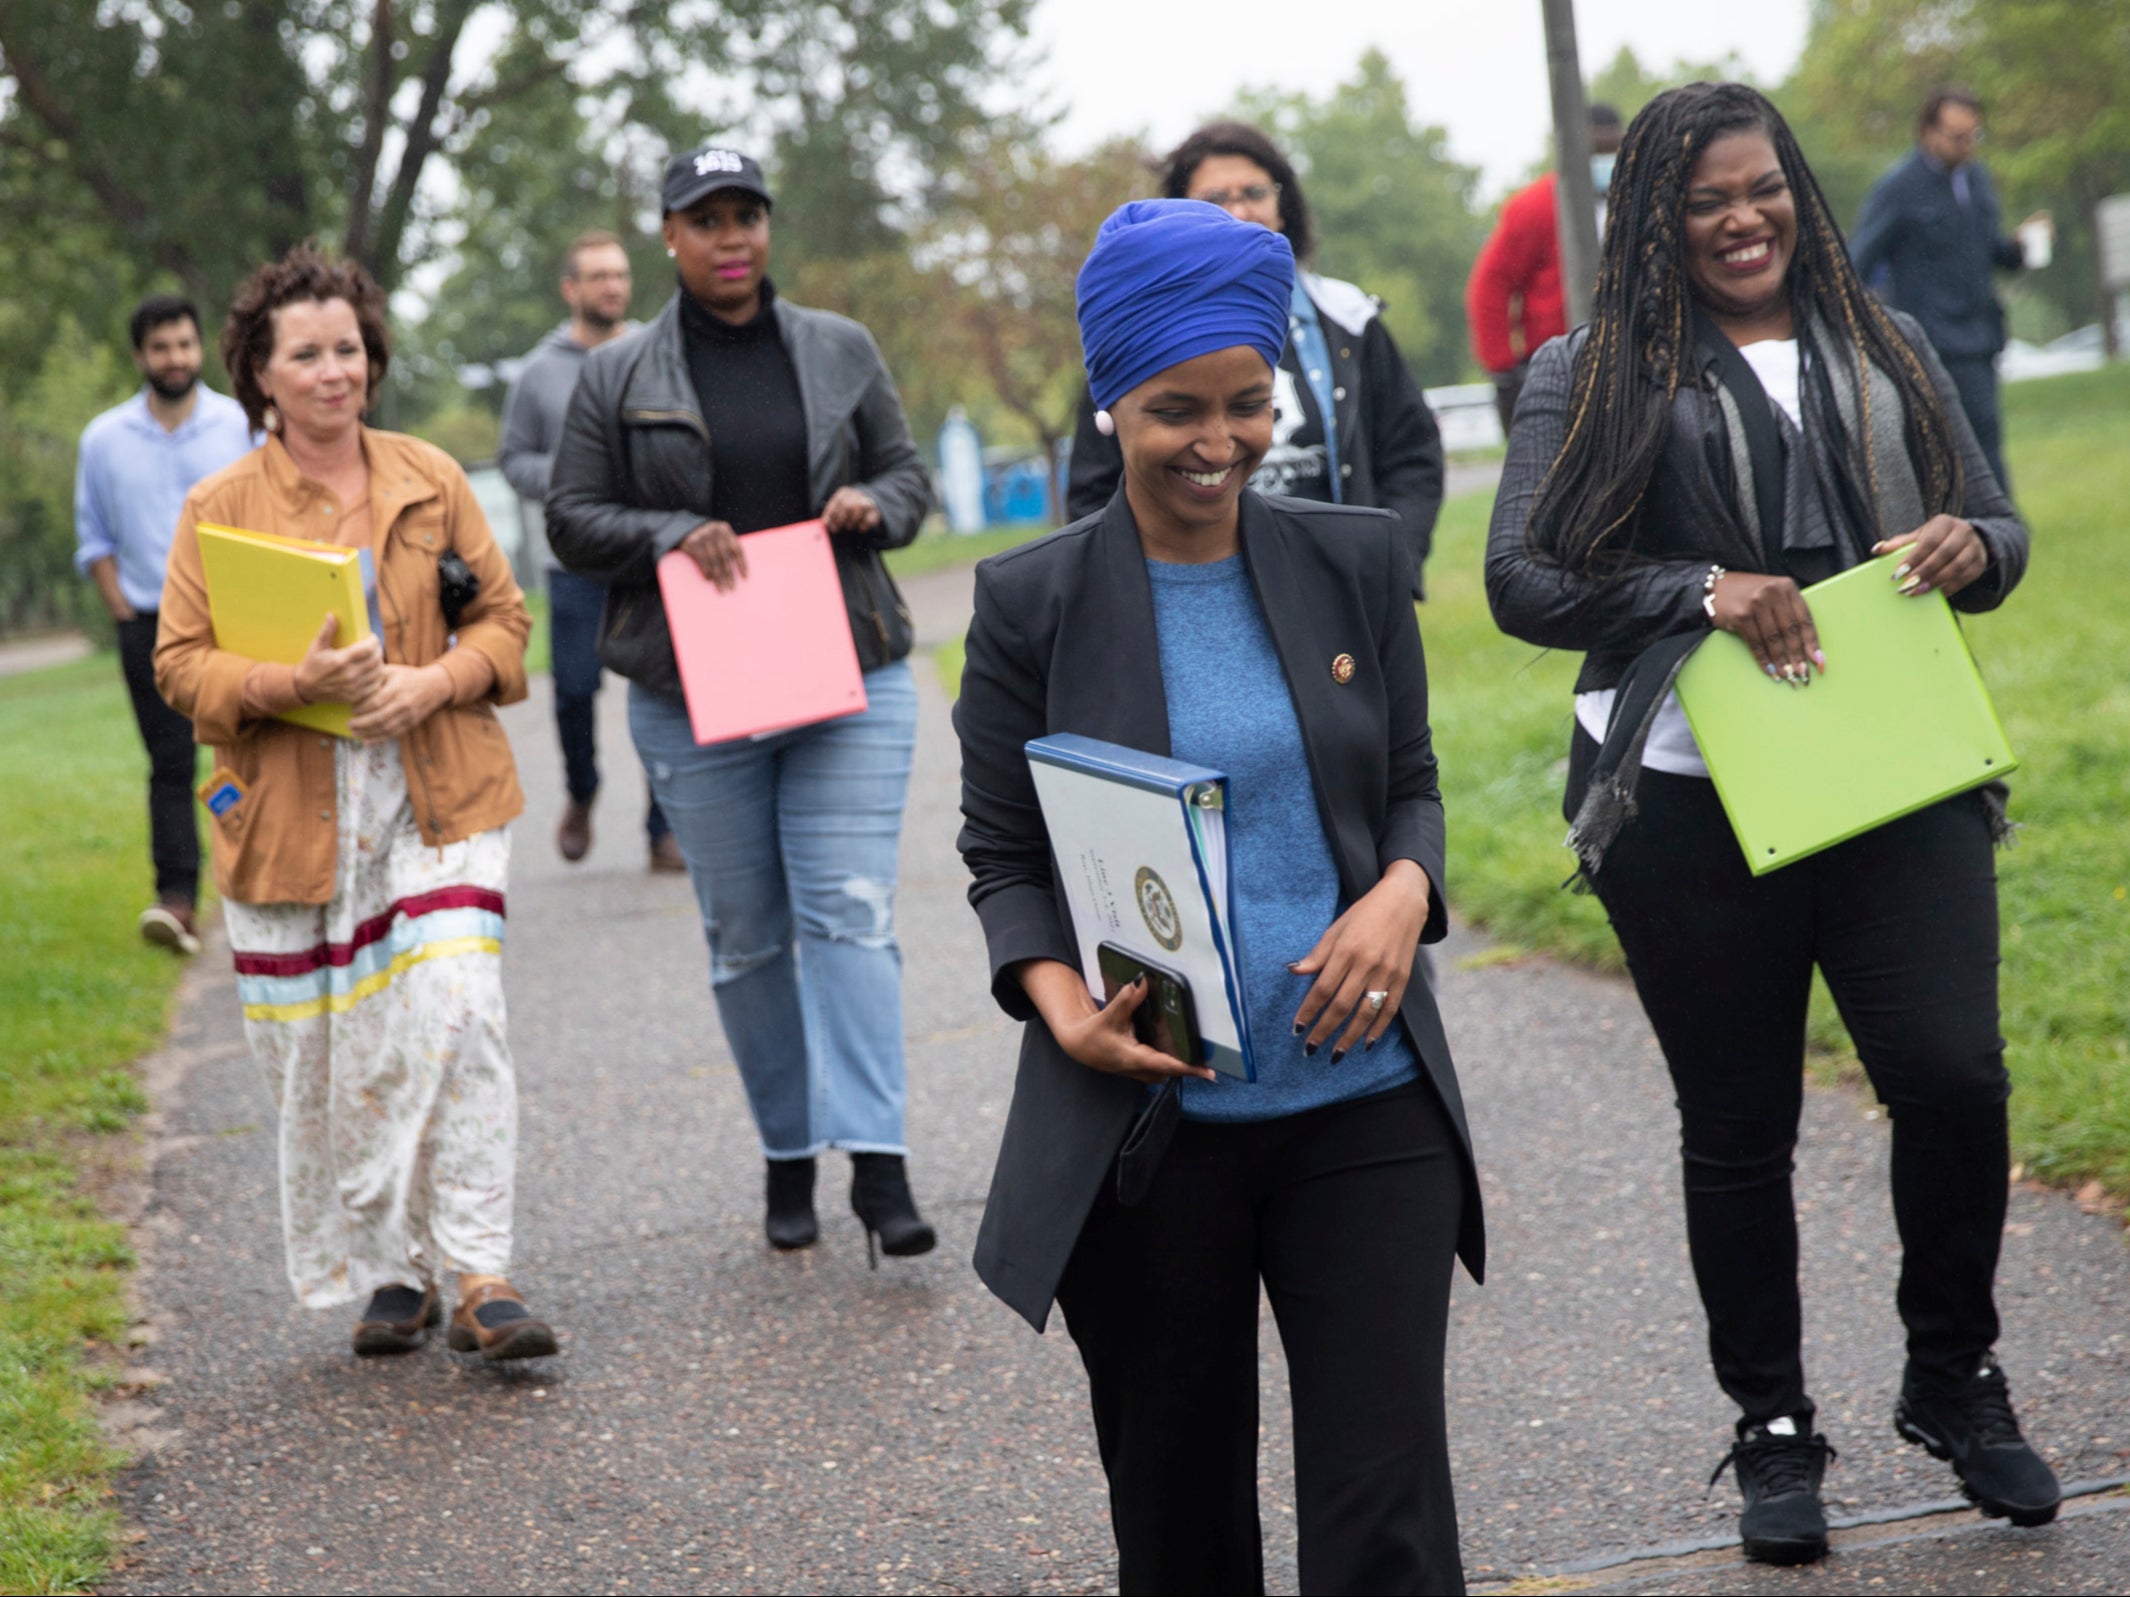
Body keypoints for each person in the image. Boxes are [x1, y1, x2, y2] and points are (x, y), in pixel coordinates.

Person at [1485, 83, 2059, 1565]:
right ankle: (1775, 1425)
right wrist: (1695, 590)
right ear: (1652, 221)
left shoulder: (1885, 345)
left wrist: (1964, 541)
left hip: (1888, 771)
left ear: (1796, 190)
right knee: (1735, 1126)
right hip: (1685, 795)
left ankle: (1951, 1375)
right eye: (1701, 201)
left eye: (1760, 190)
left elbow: (1995, 535)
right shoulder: (1589, 367)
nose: (1740, 221)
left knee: (1950, 1075)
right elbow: (1523, 581)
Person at [956, 198, 1484, 1595]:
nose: (1217, 442)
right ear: (1111, 401)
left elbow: (1412, 779)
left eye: (1247, 404)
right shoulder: (1031, 605)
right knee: (1183, 1527)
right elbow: (1002, 854)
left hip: (1364, 1111)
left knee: (1383, 1522)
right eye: (1176, 408)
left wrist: (1402, 892)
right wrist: (1063, 1010)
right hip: (1152, 1136)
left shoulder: (1353, 560)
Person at [155, 245, 555, 1362]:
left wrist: (433, 681)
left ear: (371, 360)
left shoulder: (431, 475)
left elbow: (507, 625)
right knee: (336, 1055)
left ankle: (481, 1269)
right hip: (289, 810)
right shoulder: (217, 506)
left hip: (441, 789)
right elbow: (181, 665)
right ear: (261, 375)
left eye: (349, 349)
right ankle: (393, 1269)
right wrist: (293, 685)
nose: (333, 371)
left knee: (459, 1007)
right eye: (307, 354)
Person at [546, 147, 937, 1260]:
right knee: (749, 938)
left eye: (747, 216)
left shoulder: (839, 347)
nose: (731, 237)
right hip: (692, 684)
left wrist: (874, 502)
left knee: (849, 908)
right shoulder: (618, 377)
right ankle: (786, 1151)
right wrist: (670, 532)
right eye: (705, 218)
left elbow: (913, 479)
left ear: (769, 228)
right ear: (668, 236)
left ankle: (880, 1165)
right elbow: (571, 520)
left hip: (848, 668)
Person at [1062, 122, 1446, 597]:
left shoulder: (1350, 320)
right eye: (1216, 198)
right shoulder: (1136, 337)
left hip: (1338, 592)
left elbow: (1412, 453)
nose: (1240, 211)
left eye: (1254, 192)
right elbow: (1091, 487)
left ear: (1283, 206)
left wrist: (1389, 564)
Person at [74, 294, 256, 956]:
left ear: (199, 348)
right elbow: (93, 538)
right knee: (172, 764)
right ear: (139, 356)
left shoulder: (240, 425)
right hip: (148, 623)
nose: (174, 358)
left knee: (243, 756)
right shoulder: (103, 440)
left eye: (184, 344)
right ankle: (177, 898)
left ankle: (254, 879)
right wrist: (123, 612)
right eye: (160, 347)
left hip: (237, 620)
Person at [498, 229, 683, 872]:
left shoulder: (653, 354)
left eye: (621, 275)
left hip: (650, 553)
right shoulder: (537, 372)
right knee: (575, 689)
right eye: (599, 276)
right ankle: (582, 791)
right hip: (574, 559)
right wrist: (573, 477)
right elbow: (513, 457)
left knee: (663, 686)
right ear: (571, 289)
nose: (613, 287)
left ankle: (664, 829)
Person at [1850, 86, 2050, 490]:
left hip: (1980, 336)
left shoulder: (1976, 179)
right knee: (1953, 449)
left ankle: (1997, 537)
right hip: (1932, 341)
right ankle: (1992, 534)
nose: (1967, 147)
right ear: (1928, 131)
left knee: (1985, 439)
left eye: (1974, 136)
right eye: (1957, 137)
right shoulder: (1899, 188)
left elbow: (1989, 250)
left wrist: (2022, 245)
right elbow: (1859, 262)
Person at [1466, 104, 1625, 434]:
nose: (1604, 159)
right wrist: (1504, 370)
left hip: (1629, 359)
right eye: (1597, 150)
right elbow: (1490, 284)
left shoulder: (1637, 200)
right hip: (1558, 367)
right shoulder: (1536, 206)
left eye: (1612, 149)